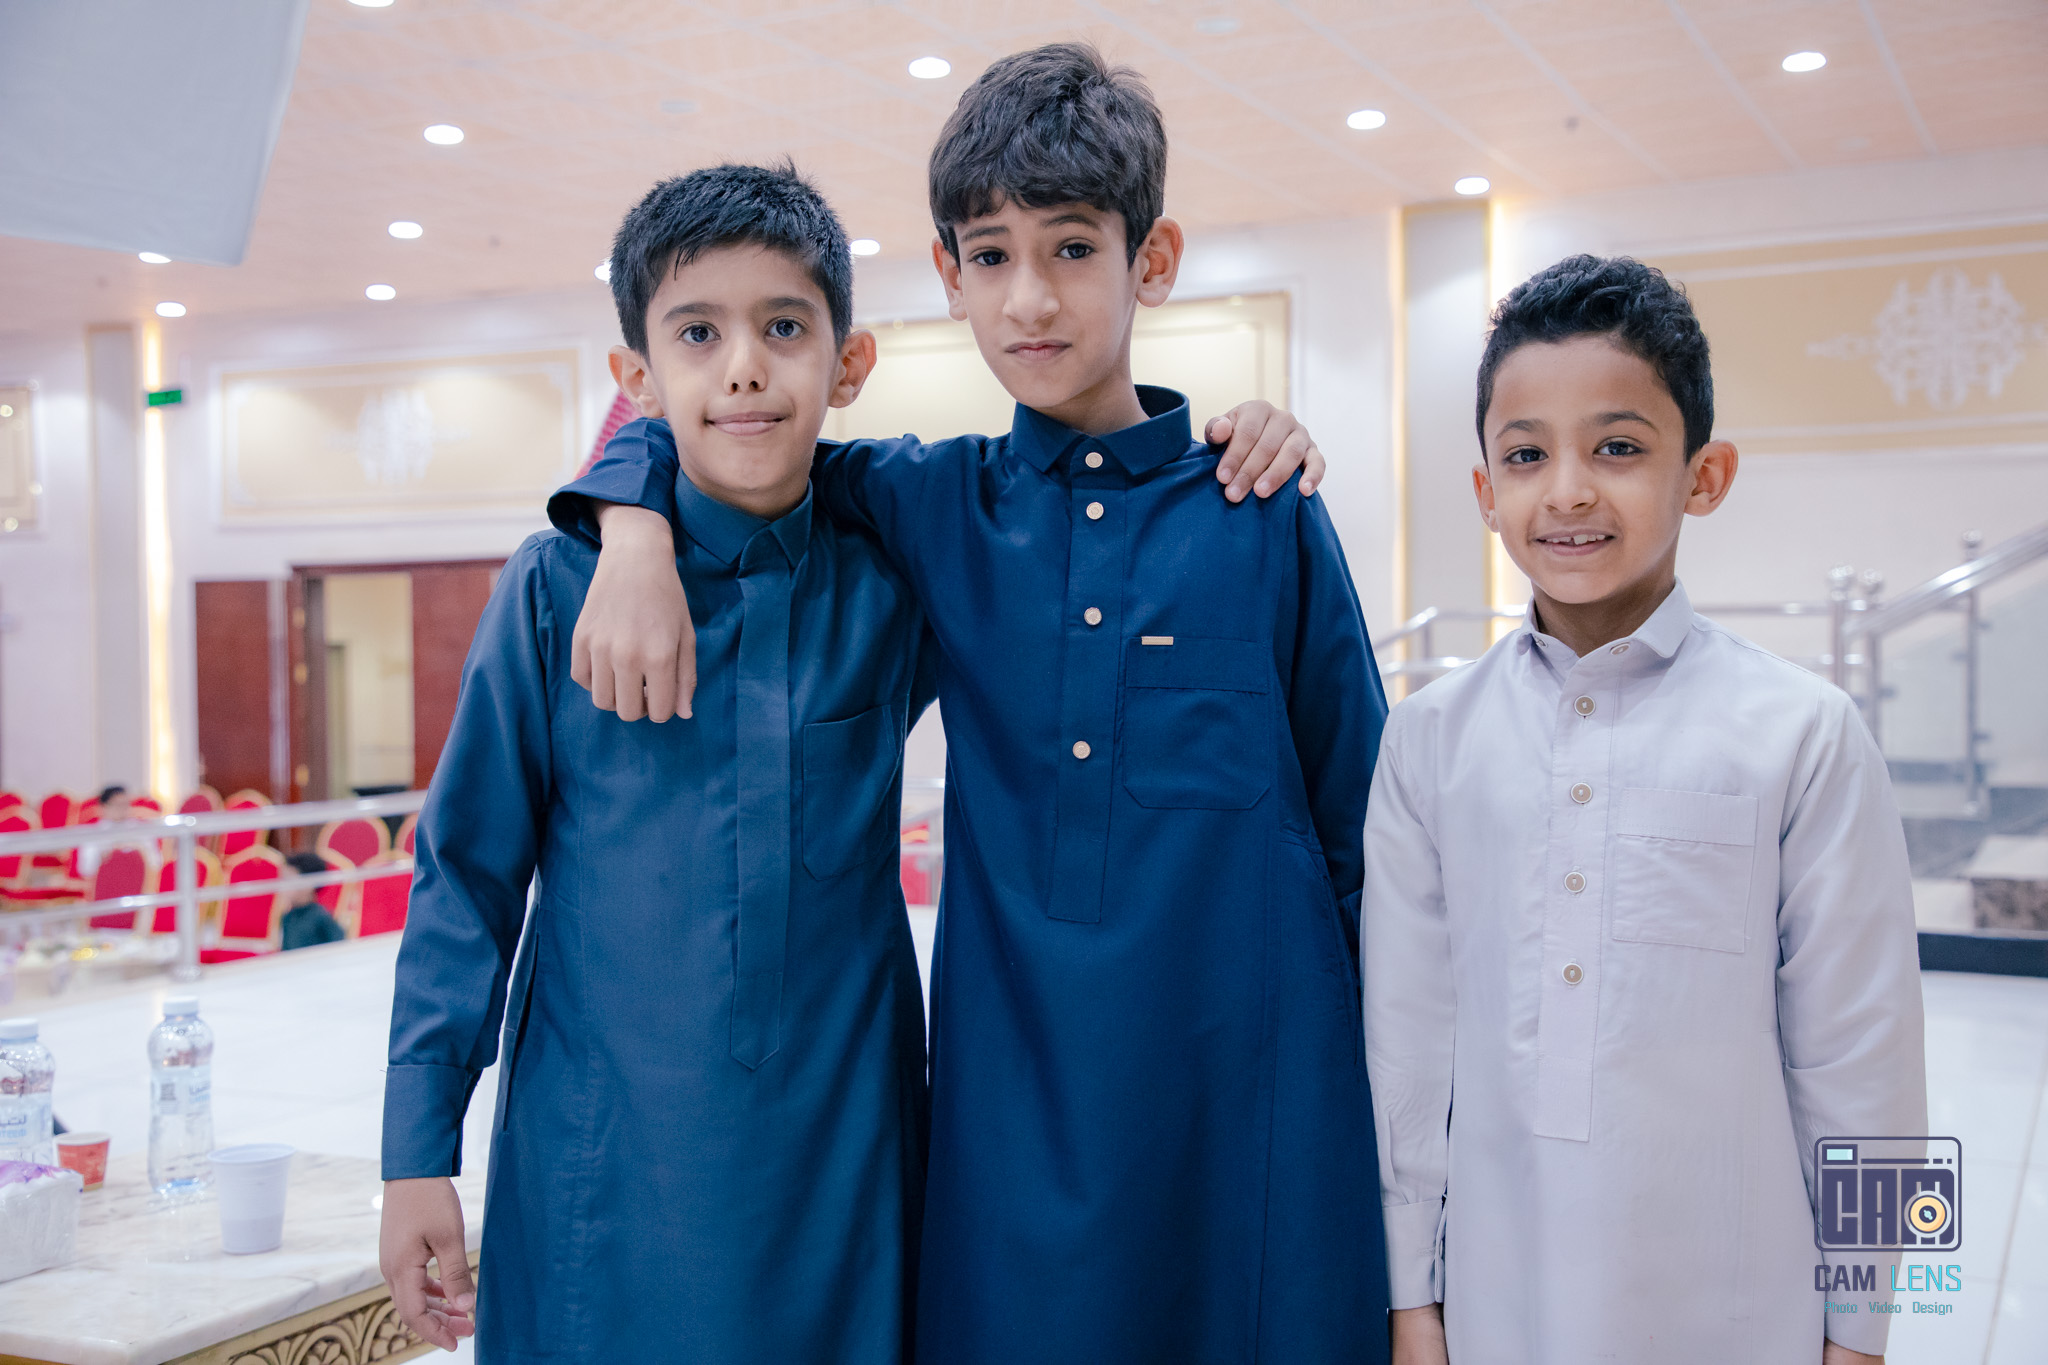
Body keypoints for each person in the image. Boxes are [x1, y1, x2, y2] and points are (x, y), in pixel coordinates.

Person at [552, 44, 1392, 1363]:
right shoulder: (930, 501)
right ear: (948, 277)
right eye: (990, 256)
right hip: (1011, 1135)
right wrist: (631, 524)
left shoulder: (1263, 509)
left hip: (1251, 1123)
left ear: (1153, 260)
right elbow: (728, 428)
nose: (1029, 297)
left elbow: (1367, 846)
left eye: (1072, 248)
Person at [378, 164, 943, 1364]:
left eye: (783, 327)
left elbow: (1047, 500)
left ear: (848, 362)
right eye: (696, 333)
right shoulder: (555, 587)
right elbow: (465, 877)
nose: (742, 367)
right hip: (603, 1166)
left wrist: (1245, 435)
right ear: (635, 377)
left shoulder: (895, 577)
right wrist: (416, 1151)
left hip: (841, 1161)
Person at [1366, 255, 1926, 1365]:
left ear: (1703, 475)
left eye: (1617, 447)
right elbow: (1405, 1047)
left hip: (1740, 1313)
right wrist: (1407, 1297)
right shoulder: (1430, 739)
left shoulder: (1802, 734)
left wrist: (1864, 1331)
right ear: (1484, 490)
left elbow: (1870, 1064)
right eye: (1526, 454)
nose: (1568, 490)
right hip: (1495, 1306)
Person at [278, 852, 346, 949]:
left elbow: (339, 947)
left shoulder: (321, 918)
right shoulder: (288, 917)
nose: (283, 886)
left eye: (289, 880)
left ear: (308, 884)